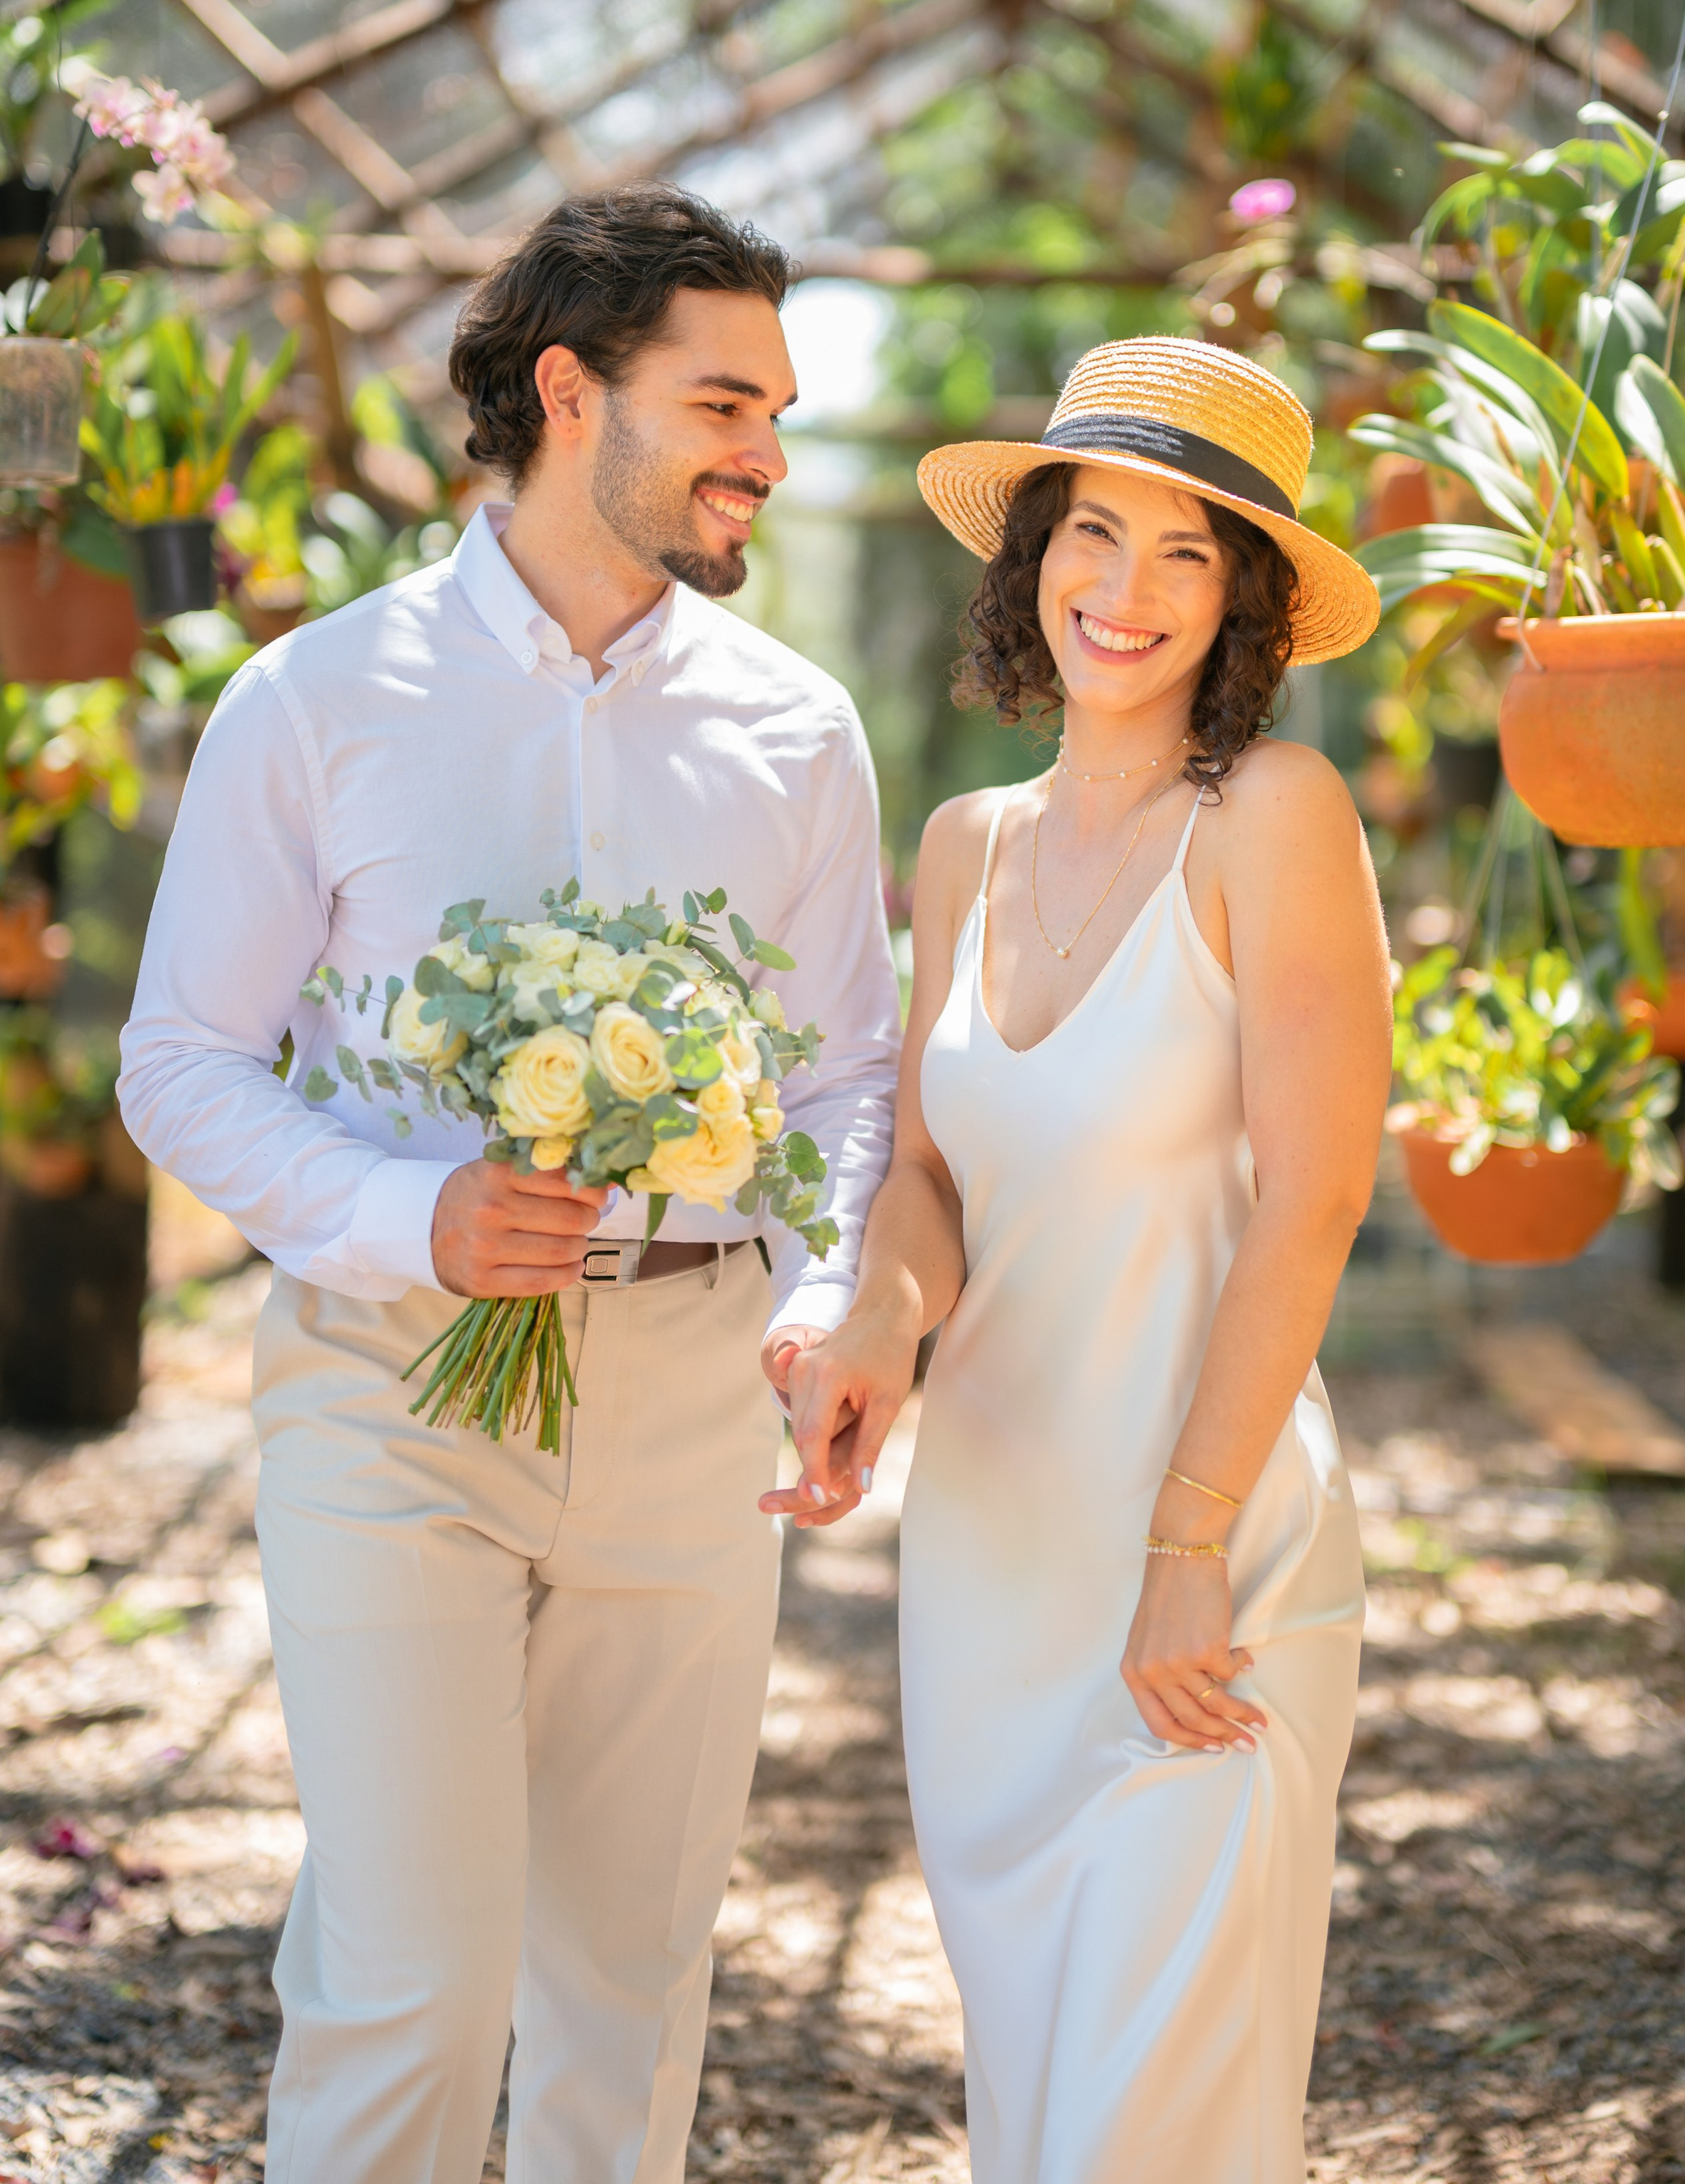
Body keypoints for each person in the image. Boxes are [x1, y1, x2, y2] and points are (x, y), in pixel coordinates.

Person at [119, 185, 900, 2184]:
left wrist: (823, 1296)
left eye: (781, 407)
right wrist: (414, 1221)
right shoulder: (311, 701)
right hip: (390, 1395)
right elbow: (179, 1065)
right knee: (412, 1977)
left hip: (693, 1411)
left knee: (627, 1994)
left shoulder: (798, 733)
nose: (770, 454)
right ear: (571, 392)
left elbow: (848, 1077)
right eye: (725, 401)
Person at [770, 337, 1392, 2182]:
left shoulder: (1274, 818)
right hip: (992, 1565)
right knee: (1040, 2105)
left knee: (1157, 2123)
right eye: (1094, 533)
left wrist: (1188, 1549)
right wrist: (864, 1337)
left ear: (1250, 600)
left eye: (1188, 554)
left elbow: (1316, 1198)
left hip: (1205, 1555)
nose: (1126, 592)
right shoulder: (963, 848)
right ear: (1031, 555)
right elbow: (931, 1191)